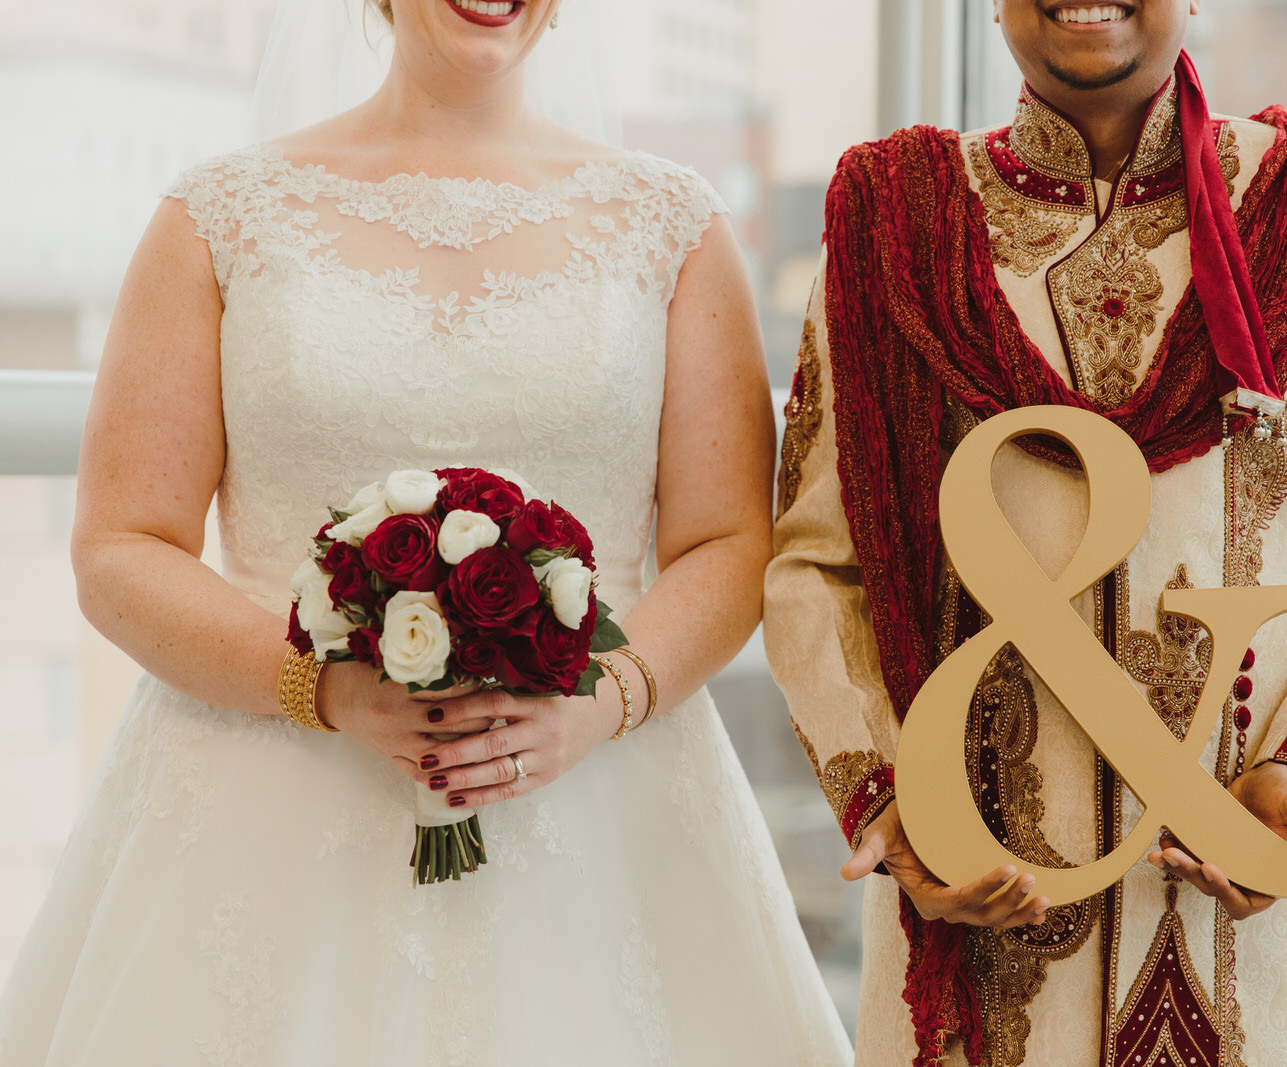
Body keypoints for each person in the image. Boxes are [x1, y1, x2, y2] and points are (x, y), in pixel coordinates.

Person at [0, 1, 851, 1063]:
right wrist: (322, 687)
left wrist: (600, 703)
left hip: (600, 809)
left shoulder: (672, 224)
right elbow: (121, 545)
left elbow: (728, 543)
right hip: (258, 814)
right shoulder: (220, 213)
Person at [764, 1, 1287, 1064]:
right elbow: (816, 559)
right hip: (984, 912)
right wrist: (890, 797)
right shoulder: (897, 227)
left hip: (1249, 907)